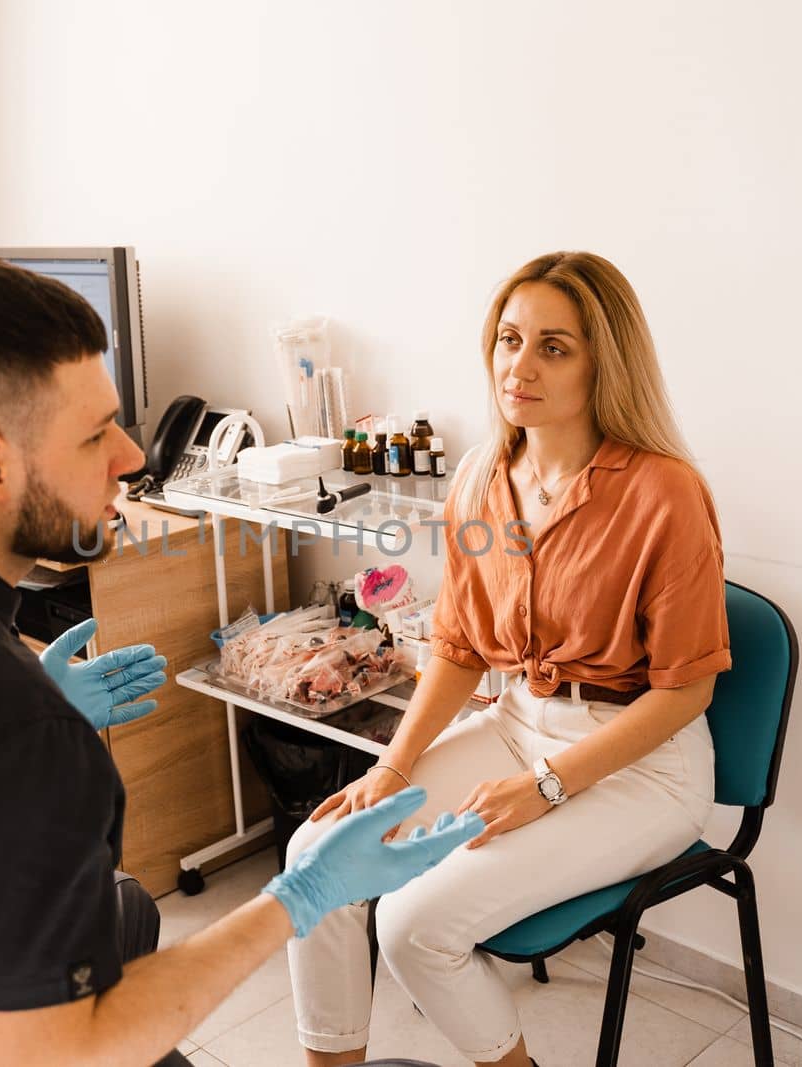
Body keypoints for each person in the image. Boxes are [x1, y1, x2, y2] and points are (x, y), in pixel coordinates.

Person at [0, 258, 484, 1067]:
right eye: (95, 434)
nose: (130, 457)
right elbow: (64, 1057)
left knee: (126, 912)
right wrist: (300, 897)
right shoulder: (13, 729)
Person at [285, 251, 731, 1067]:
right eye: (509, 339)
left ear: (605, 364)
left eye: (553, 347)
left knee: (416, 925)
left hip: (644, 764)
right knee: (316, 859)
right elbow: (457, 647)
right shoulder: (482, 477)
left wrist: (548, 786)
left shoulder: (665, 493)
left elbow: (686, 691)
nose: (518, 367)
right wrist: (392, 767)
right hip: (518, 723)